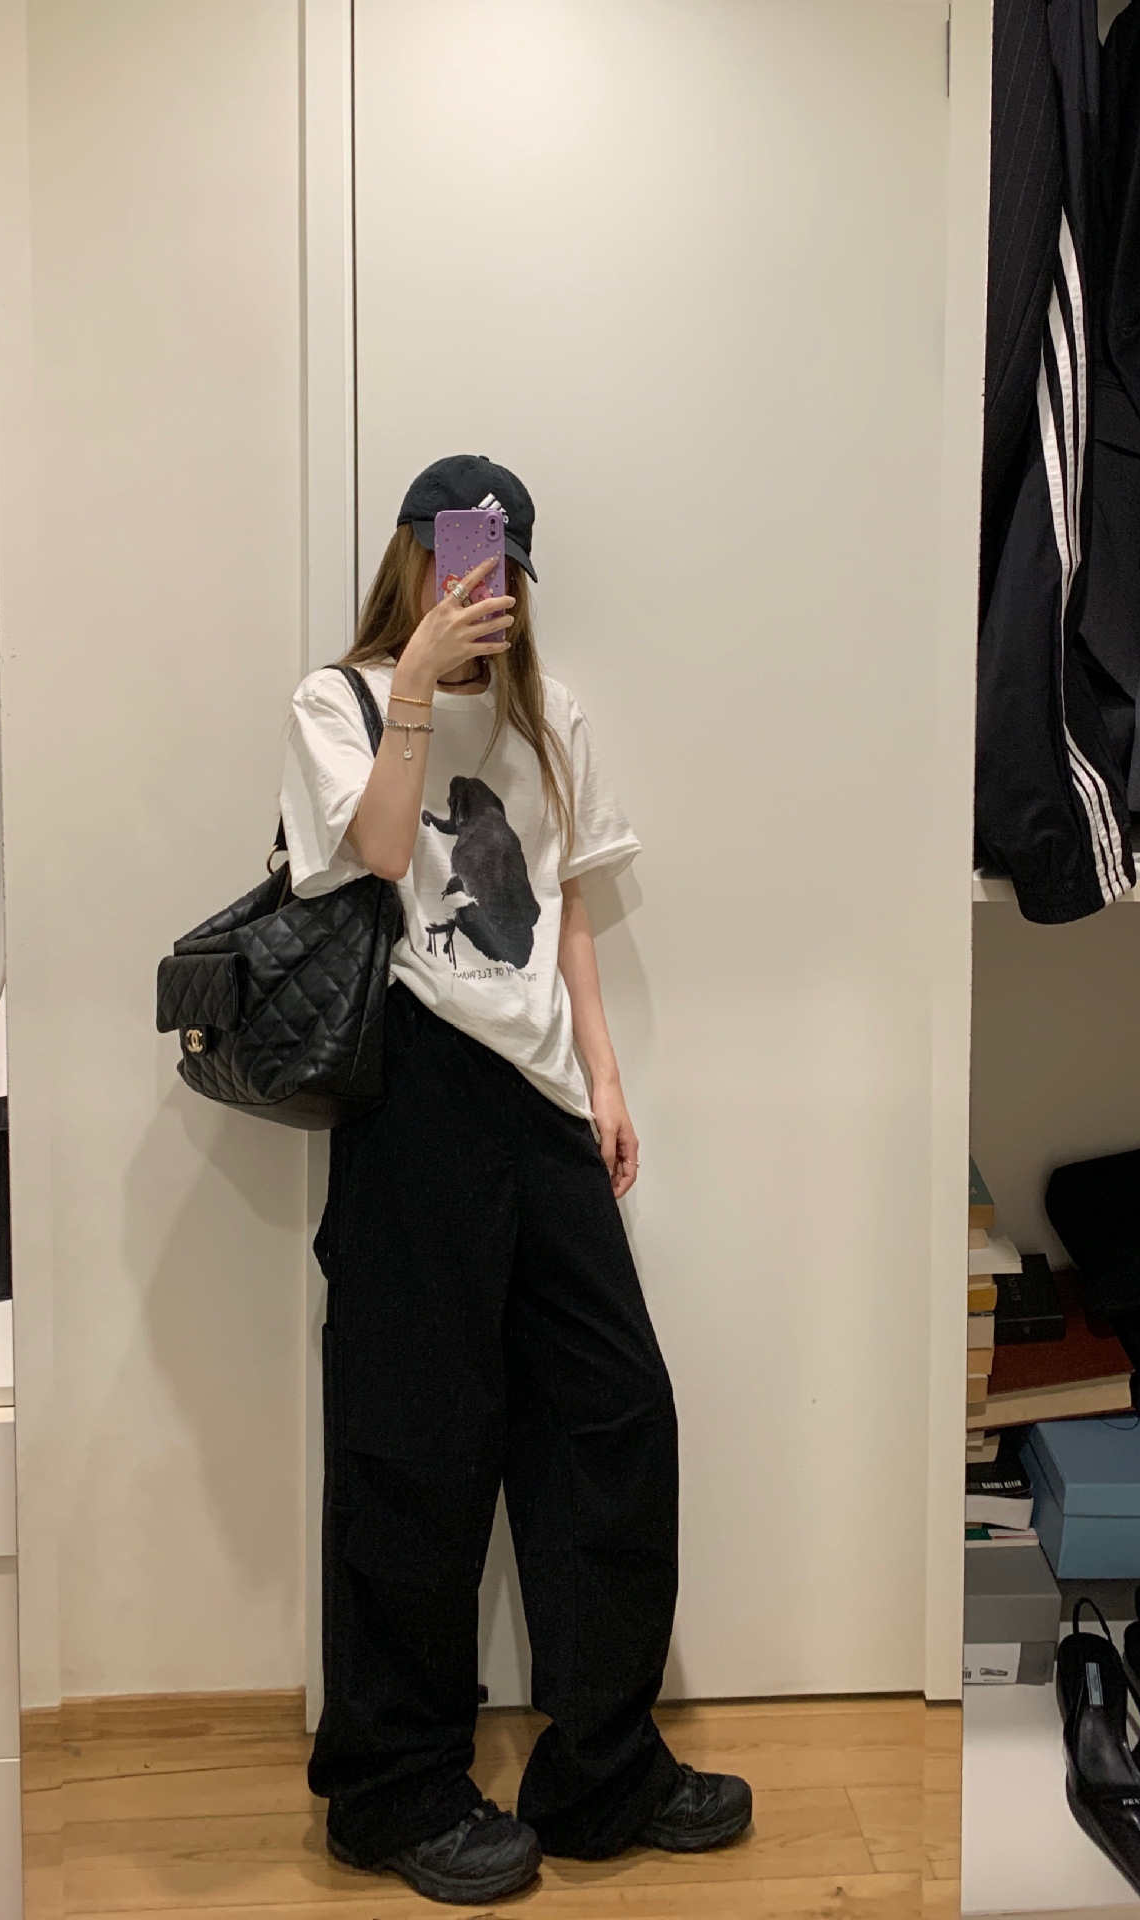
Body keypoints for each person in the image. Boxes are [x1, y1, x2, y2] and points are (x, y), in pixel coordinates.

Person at [280, 455, 751, 1905]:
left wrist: (604, 1079)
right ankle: (392, 1788)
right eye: (454, 558)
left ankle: (601, 1770)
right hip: (411, 1096)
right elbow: (375, 852)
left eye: (499, 566)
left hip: (540, 1098)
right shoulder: (338, 702)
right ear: (412, 559)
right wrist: (417, 684)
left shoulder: (553, 717)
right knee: (413, 1444)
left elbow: (567, 915)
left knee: (615, 1416)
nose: (479, 587)